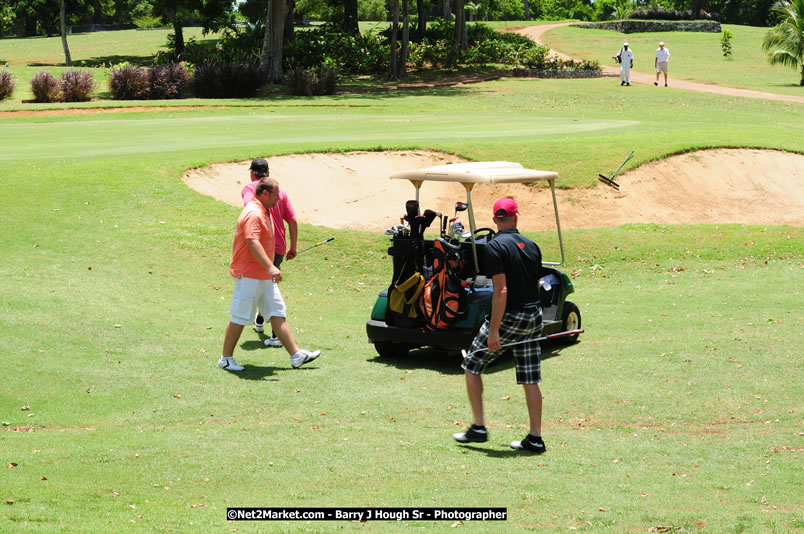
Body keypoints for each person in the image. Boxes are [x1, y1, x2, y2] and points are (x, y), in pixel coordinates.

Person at [453, 198, 547, 453]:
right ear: (516, 217)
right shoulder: (532, 245)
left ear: (495, 220)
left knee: (472, 364)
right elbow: (537, 285)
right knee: (530, 377)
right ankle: (536, 438)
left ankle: (479, 427)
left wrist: (494, 330)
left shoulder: (494, 247)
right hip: (534, 316)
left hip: (511, 317)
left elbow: (501, 290)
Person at [218, 177, 320, 372]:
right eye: (275, 195)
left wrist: (268, 269)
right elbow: (252, 241)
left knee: (277, 312)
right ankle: (225, 358)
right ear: (265, 193)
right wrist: (271, 267)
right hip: (248, 274)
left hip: (262, 275)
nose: (278, 198)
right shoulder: (254, 213)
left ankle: (296, 355)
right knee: (240, 316)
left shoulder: (265, 210)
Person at [241, 158, 298, 348]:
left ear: (252, 173)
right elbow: (292, 221)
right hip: (280, 247)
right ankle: (260, 319)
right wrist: (293, 246)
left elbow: (252, 210)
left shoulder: (250, 190)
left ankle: (275, 334)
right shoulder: (279, 191)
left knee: (266, 286)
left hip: (262, 248)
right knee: (266, 286)